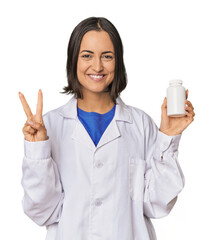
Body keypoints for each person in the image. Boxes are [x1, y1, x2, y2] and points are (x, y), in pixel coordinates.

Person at [19, 17, 195, 240]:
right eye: (87, 55)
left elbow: (156, 205)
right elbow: (43, 212)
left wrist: (168, 138)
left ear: (118, 62)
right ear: (73, 60)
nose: (98, 66)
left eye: (107, 56)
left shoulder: (140, 125)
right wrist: (38, 153)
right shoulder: (50, 126)